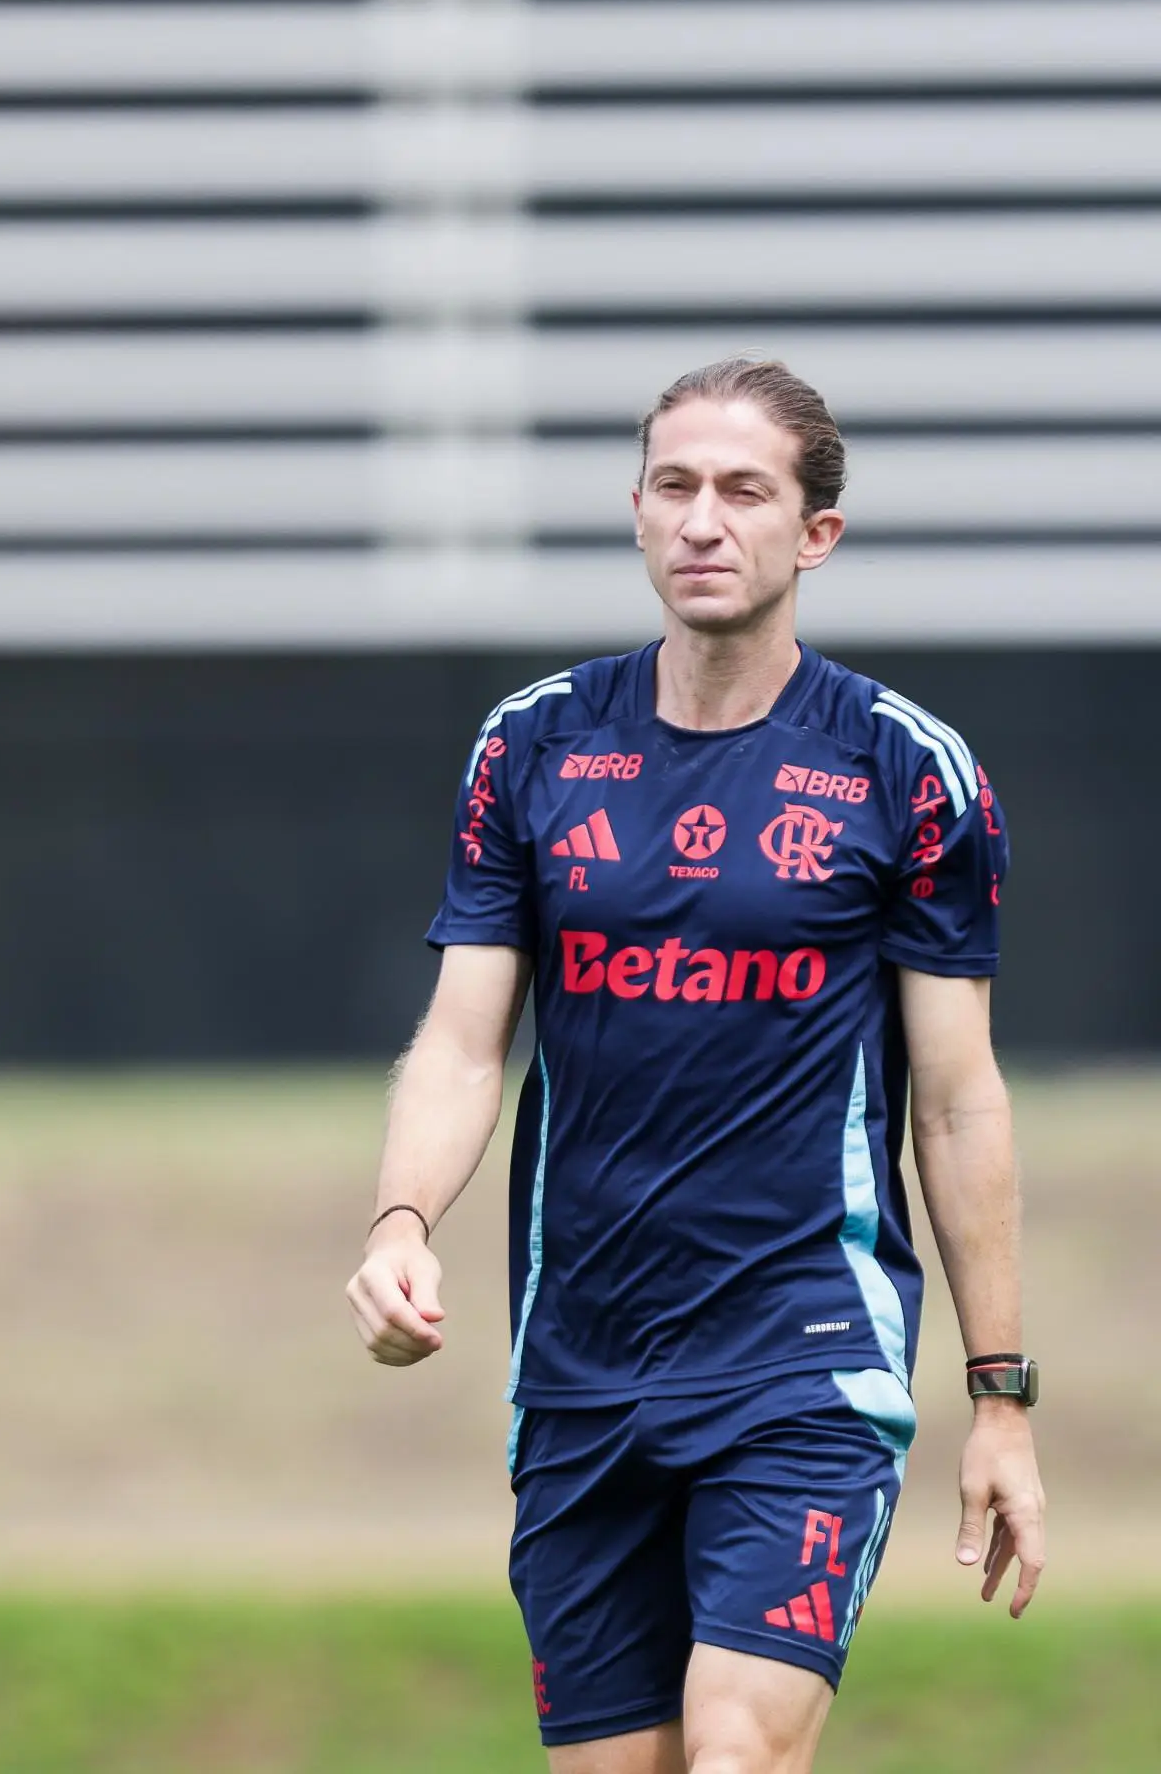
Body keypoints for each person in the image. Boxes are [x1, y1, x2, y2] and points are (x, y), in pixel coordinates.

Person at [346, 356, 1046, 1774]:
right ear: (637, 511)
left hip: (802, 1354)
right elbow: (466, 1044)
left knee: (739, 1753)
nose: (704, 521)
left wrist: (1001, 1401)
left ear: (816, 533)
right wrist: (401, 1223)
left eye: (744, 490)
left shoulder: (907, 769)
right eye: (676, 486)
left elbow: (958, 1101)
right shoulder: (532, 745)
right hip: (580, 1363)